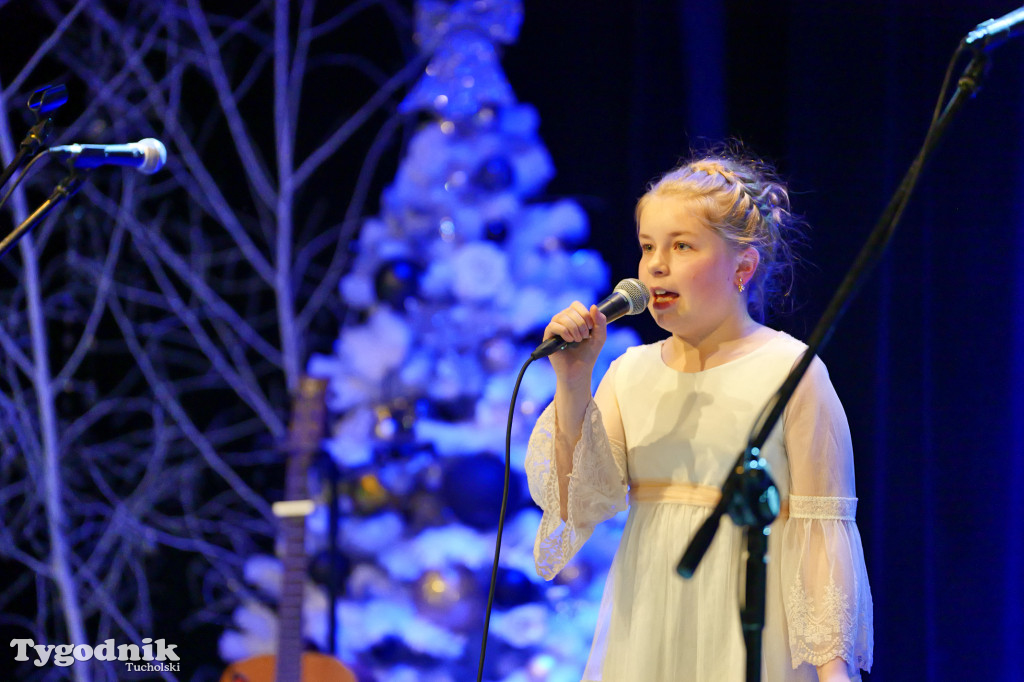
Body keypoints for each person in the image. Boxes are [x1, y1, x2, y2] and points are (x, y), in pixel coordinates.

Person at [524, 150, 873, 681]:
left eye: (681, 246)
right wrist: (574, 382)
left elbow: (820, 532)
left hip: (749, 626)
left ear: (743, 266)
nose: (656, 265)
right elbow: (578, 503)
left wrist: (833, 671)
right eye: (647, 248)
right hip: (647, 627)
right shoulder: (630, 371)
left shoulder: (790, 370)